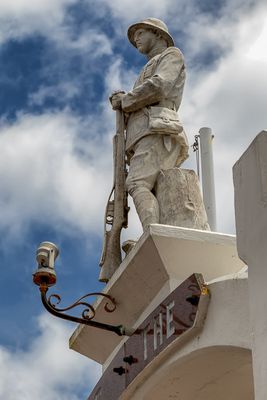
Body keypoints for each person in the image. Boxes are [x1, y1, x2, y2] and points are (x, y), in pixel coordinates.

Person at [110, 18, 189, 231]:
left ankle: (153, 234)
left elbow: (160, 86)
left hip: (157, 129)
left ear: (158, 34)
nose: (136, 40)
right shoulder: (146, 69)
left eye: (140, 34)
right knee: (155, 188)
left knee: (137, 183)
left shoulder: (172, 55)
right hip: (144, 134)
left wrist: (125, 101)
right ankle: (158, 231)